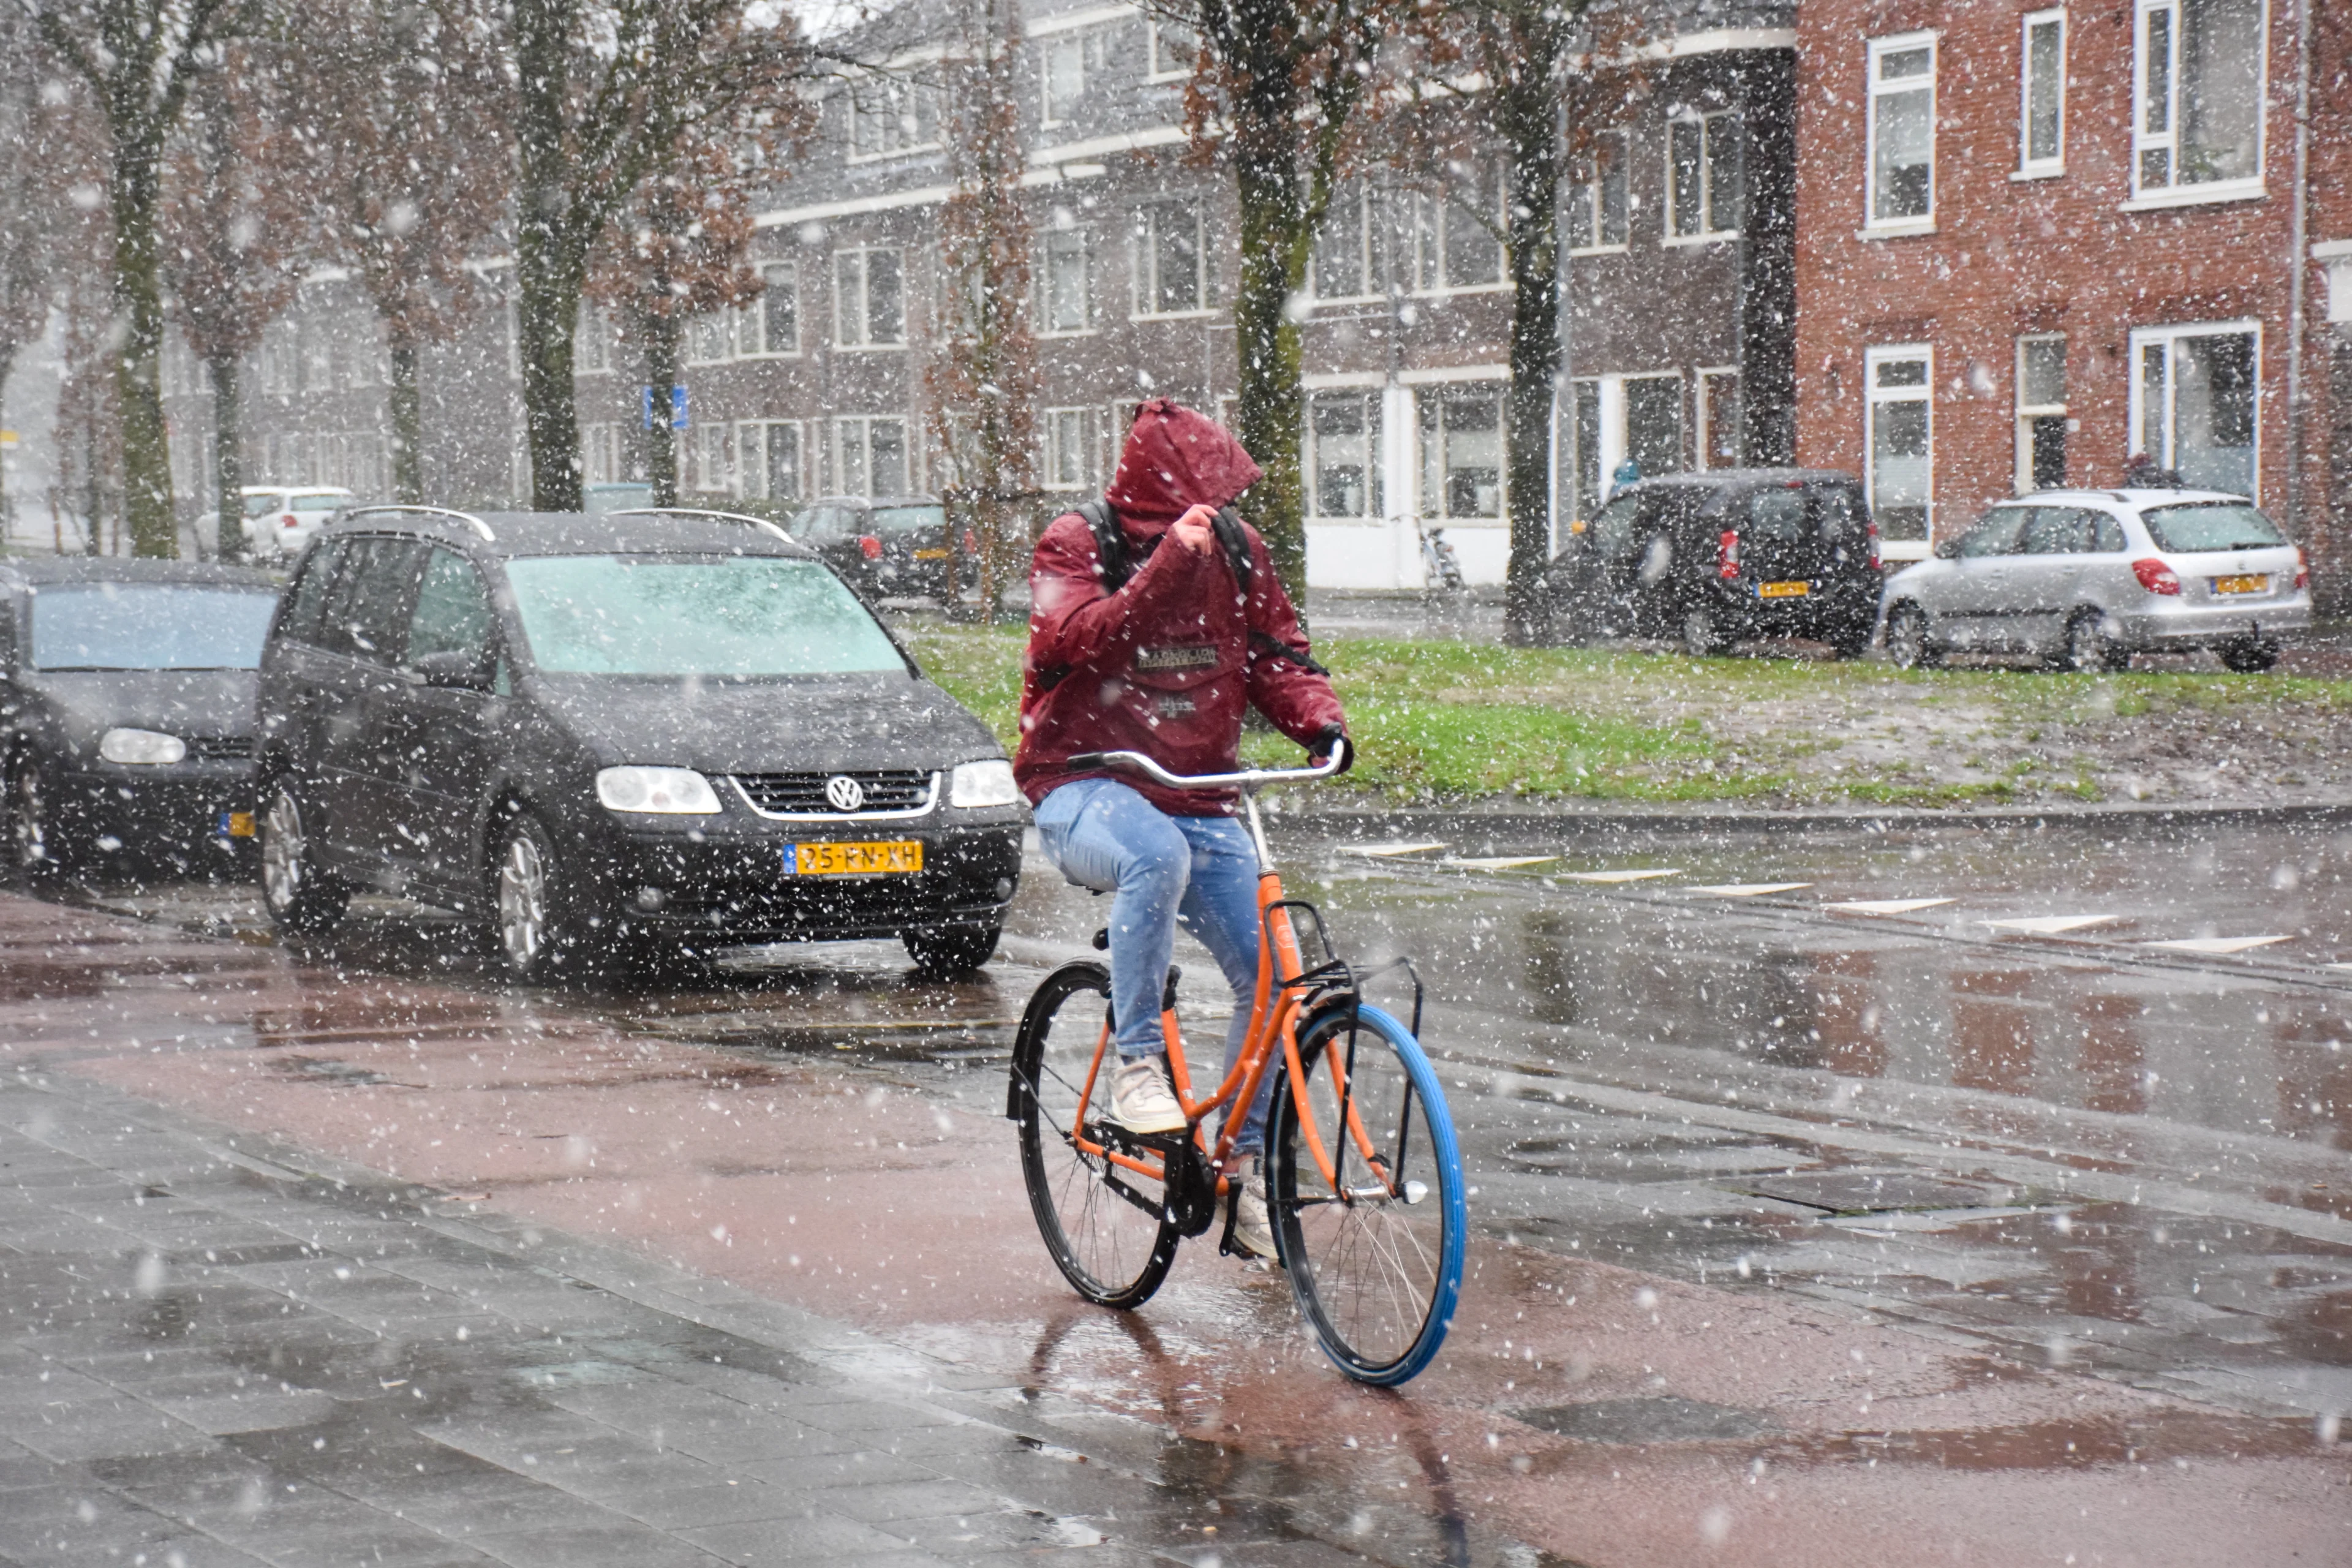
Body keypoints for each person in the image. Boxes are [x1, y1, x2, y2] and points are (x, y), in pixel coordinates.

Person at [1014, 399, 1348, 1260]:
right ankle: (1136, 1068)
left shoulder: (1237, 549)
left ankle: (1241, 1169)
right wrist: (1163, 565)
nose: (1221, 517)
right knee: (1150, 856)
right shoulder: (1075, 544)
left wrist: (1319, 721)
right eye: (1205, 503)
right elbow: (1079, 640)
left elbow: (1278, 651)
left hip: (1197, 787)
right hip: (1083, 781)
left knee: (1281, 973)